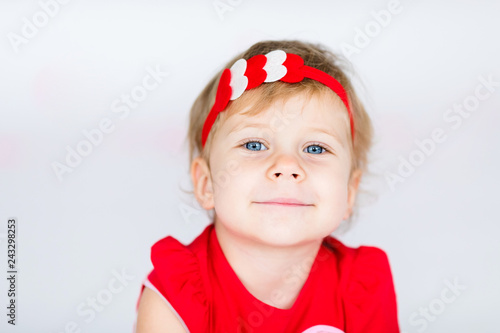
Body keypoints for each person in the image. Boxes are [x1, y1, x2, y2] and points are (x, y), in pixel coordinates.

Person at [134, 39, 400, 332]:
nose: (287, 166)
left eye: (315, 149)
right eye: (254, 144)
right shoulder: (176, 296)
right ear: (207, 183)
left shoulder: (361, 287)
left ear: (349, 192)